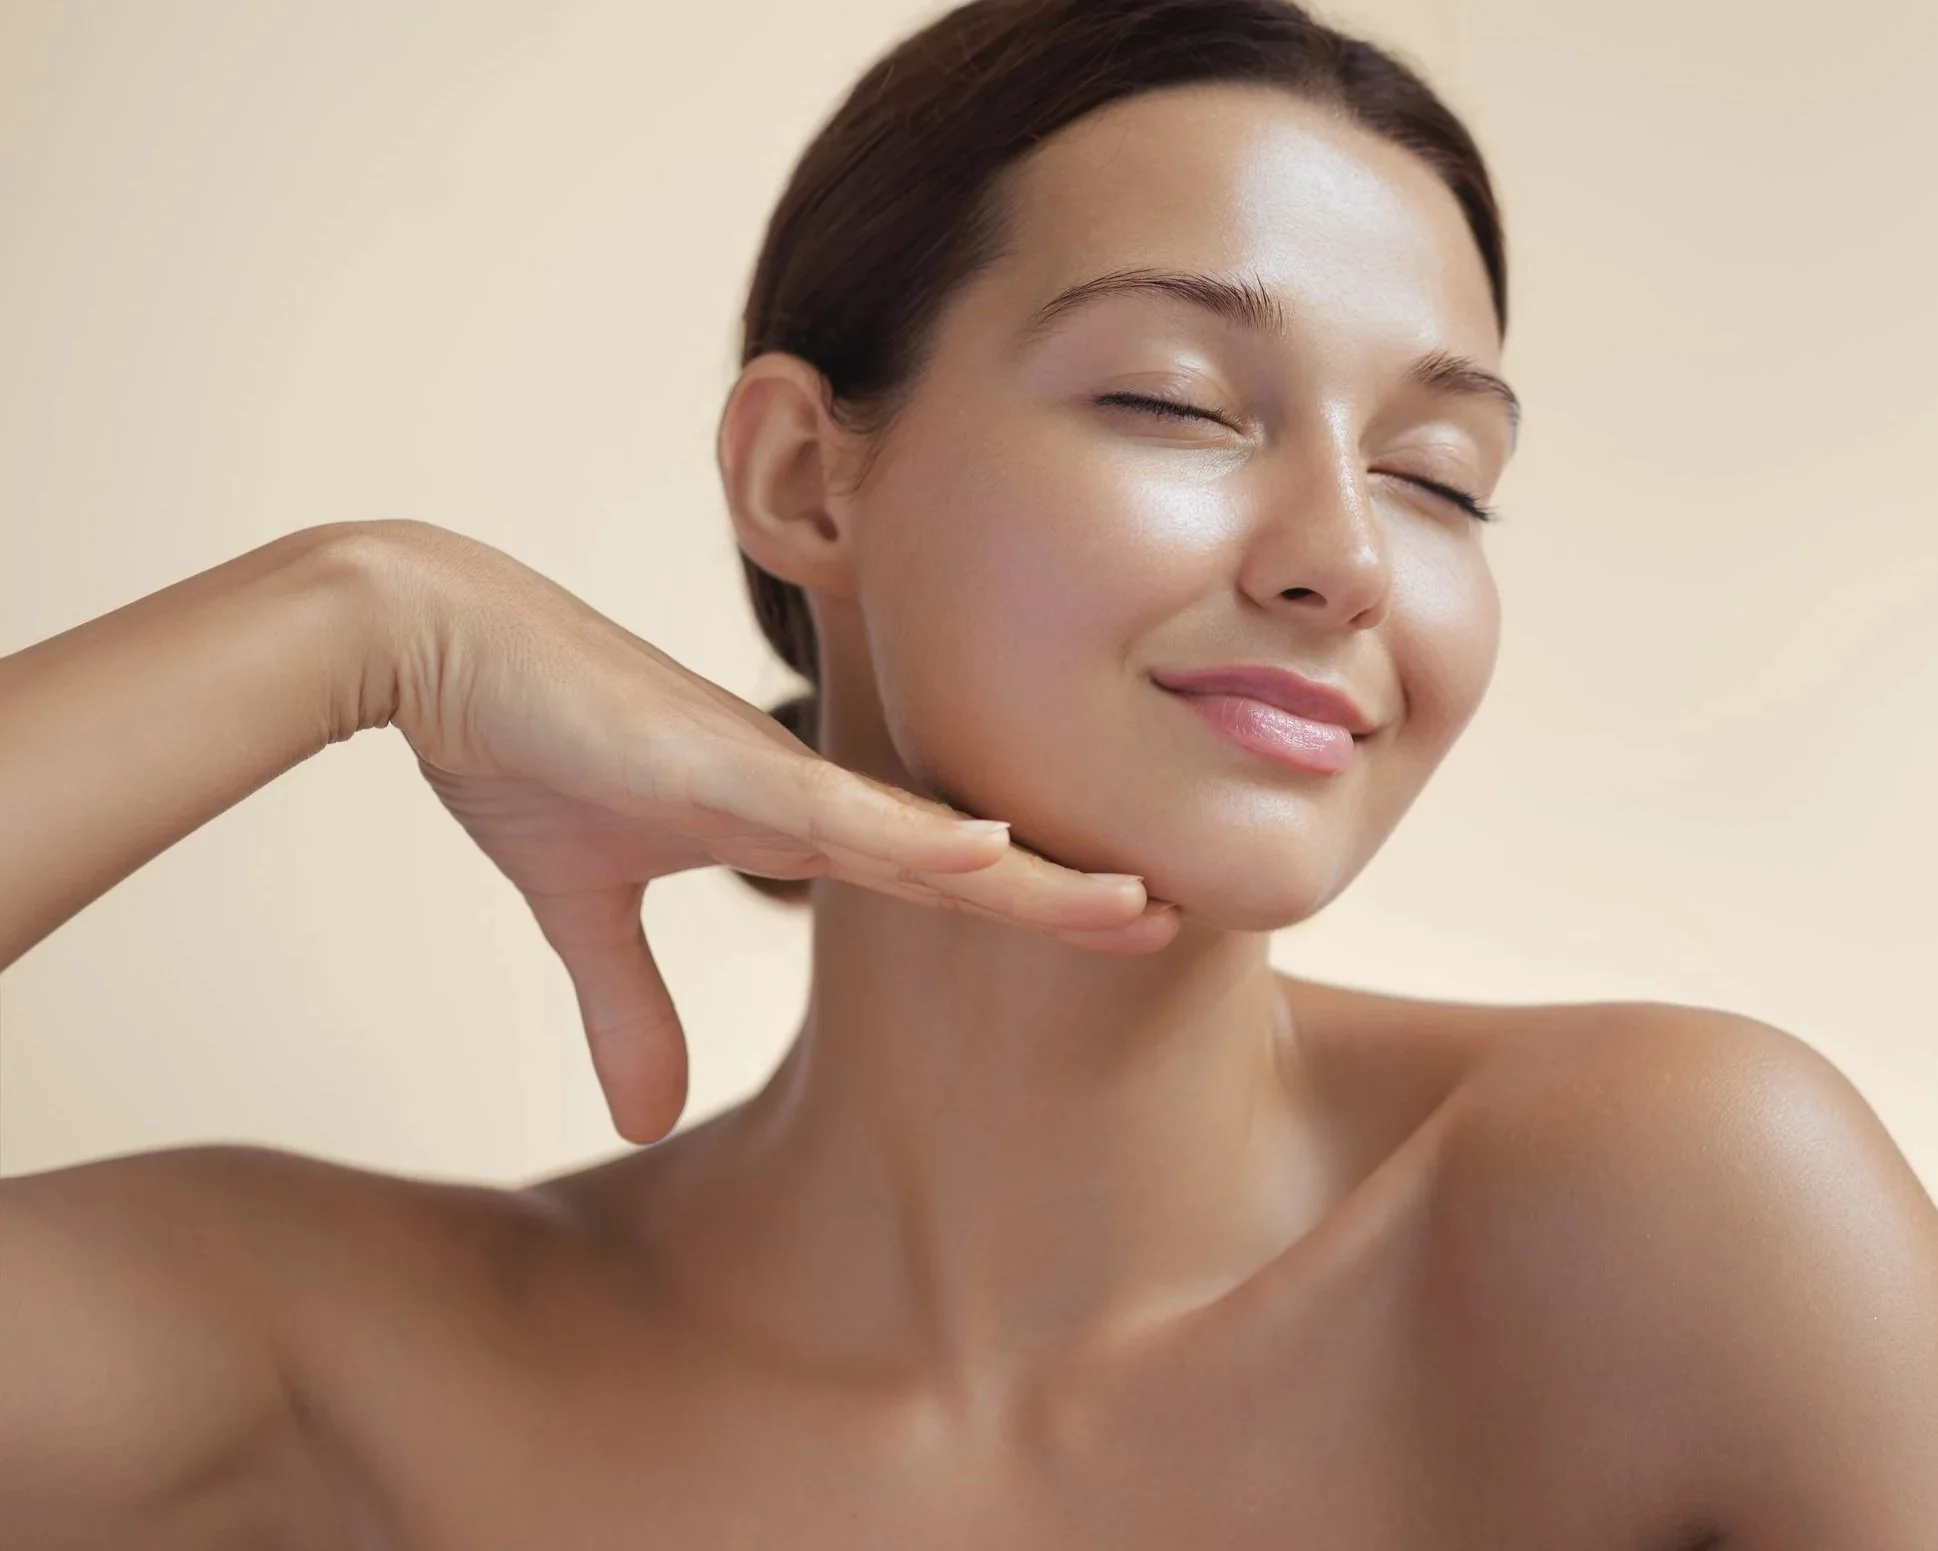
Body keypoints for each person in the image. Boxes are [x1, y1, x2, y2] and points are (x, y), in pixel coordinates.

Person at [2, 0, 1935, 1543]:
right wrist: (360, 619)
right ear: (802, 475)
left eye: (1440, 479)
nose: (1342, 554)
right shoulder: (332, 1368)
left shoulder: (1669, 1216)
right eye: (1173, 400)